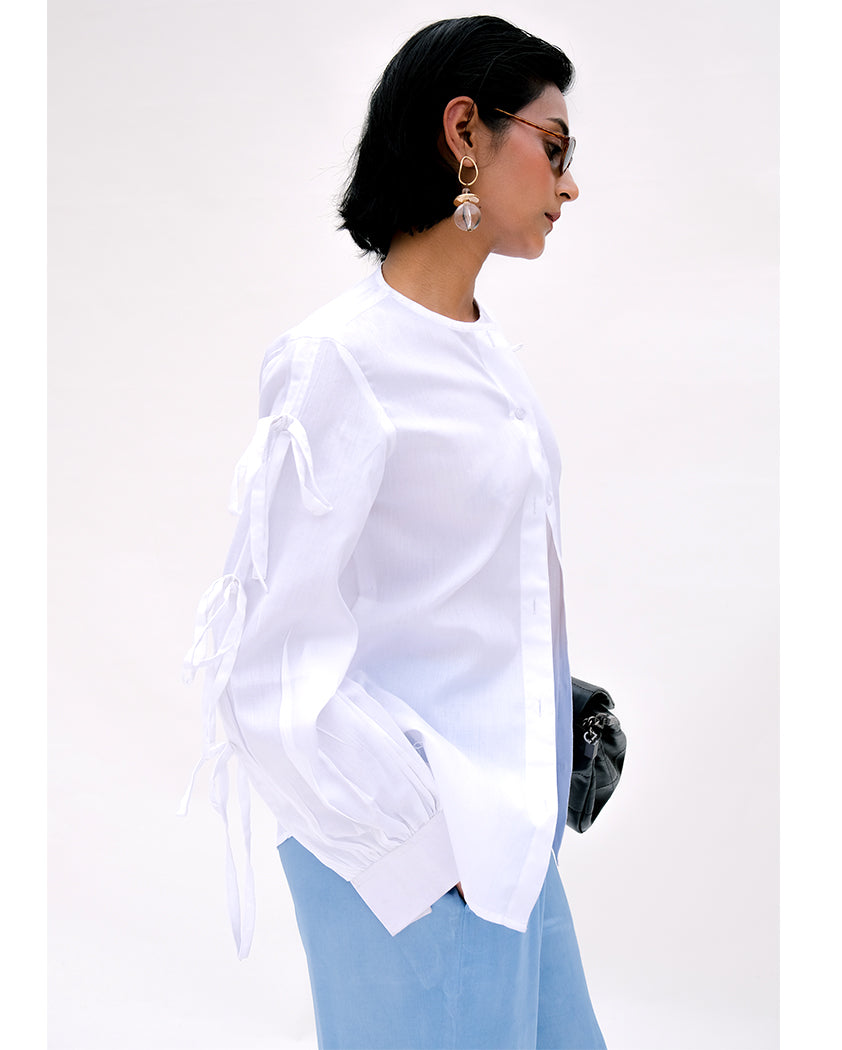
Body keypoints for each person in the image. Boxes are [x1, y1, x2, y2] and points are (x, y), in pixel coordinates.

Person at [182, 14, 608, 1050]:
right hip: (418, 865)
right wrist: (423, 853)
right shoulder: (340, 361)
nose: (569, 183)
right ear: (465, 131)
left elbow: (449, 588)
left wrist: (553, 702)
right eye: (554, 145)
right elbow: (266, 665)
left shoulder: (486, 354)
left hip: (512, 848)